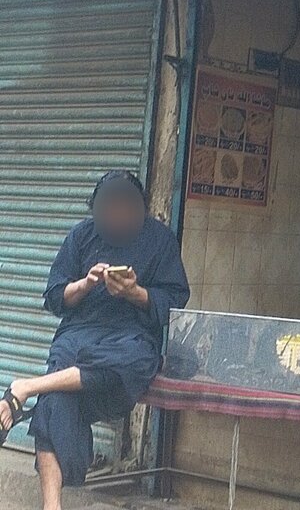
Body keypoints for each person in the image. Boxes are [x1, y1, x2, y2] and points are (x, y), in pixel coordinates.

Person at [0, 171, 190, 510]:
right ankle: (52, 506)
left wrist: (136, 293)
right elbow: (56, 297)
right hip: (81, 333)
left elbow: (175, 301)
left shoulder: (160, 240)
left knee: (135, 360)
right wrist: (85, 284)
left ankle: (29, 385)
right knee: (55, 402)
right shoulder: (81, 236)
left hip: (130, 339)